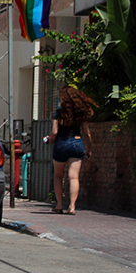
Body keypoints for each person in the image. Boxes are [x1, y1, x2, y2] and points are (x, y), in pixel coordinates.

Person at [46, 85, 96, 215]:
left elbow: (55, 132)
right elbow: (86, 133)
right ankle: (72, 206)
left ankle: (59, 205)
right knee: (74, 177)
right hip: (76, 143)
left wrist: (50, 140)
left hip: (61, 143)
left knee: (58, 176)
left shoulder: (58, 113)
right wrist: (89, 148)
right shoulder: (80, 113)